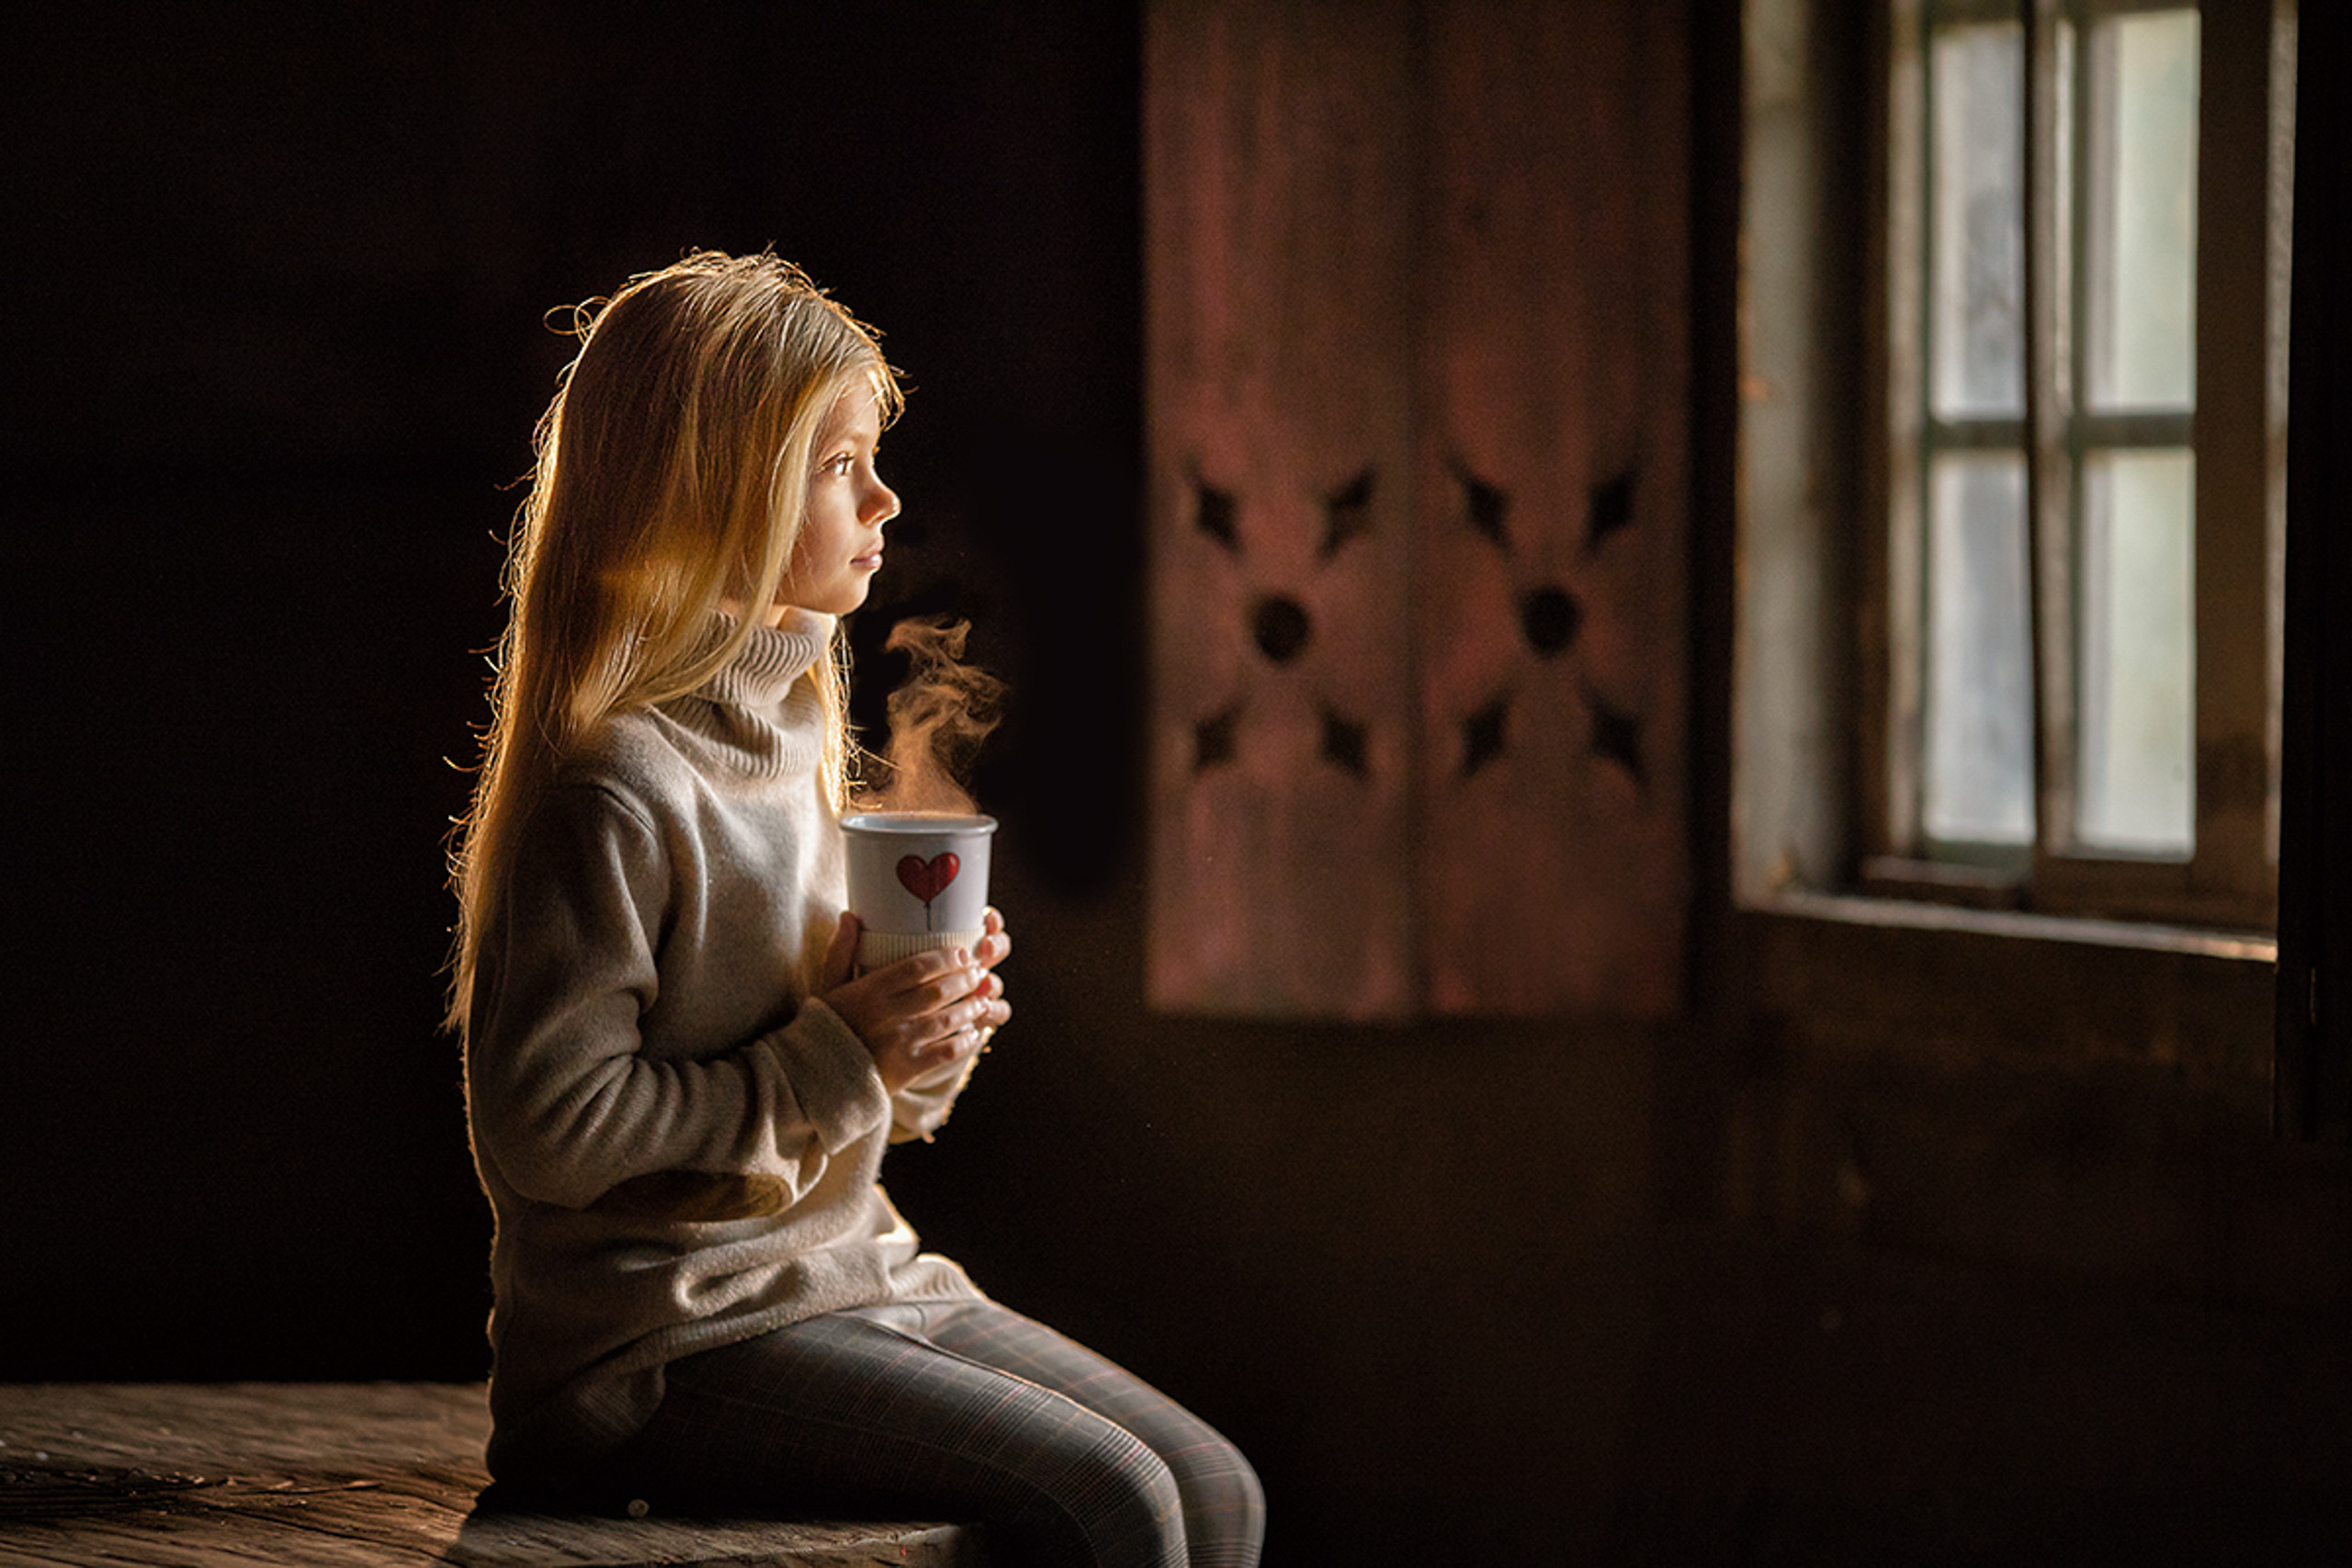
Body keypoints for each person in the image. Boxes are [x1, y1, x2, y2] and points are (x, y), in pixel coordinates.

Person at [447, 251, 1263, 1568]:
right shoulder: (617, 790)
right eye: (837, 464)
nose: (885, 496)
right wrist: (839, 1056)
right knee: (1114, 1499)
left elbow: (841, 1099)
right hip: (660, 1347)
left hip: (849, 1277)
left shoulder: (800, 736)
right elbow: (552, 1131)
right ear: (717, 489)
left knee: (1216, 1487)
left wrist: (917, 1047)